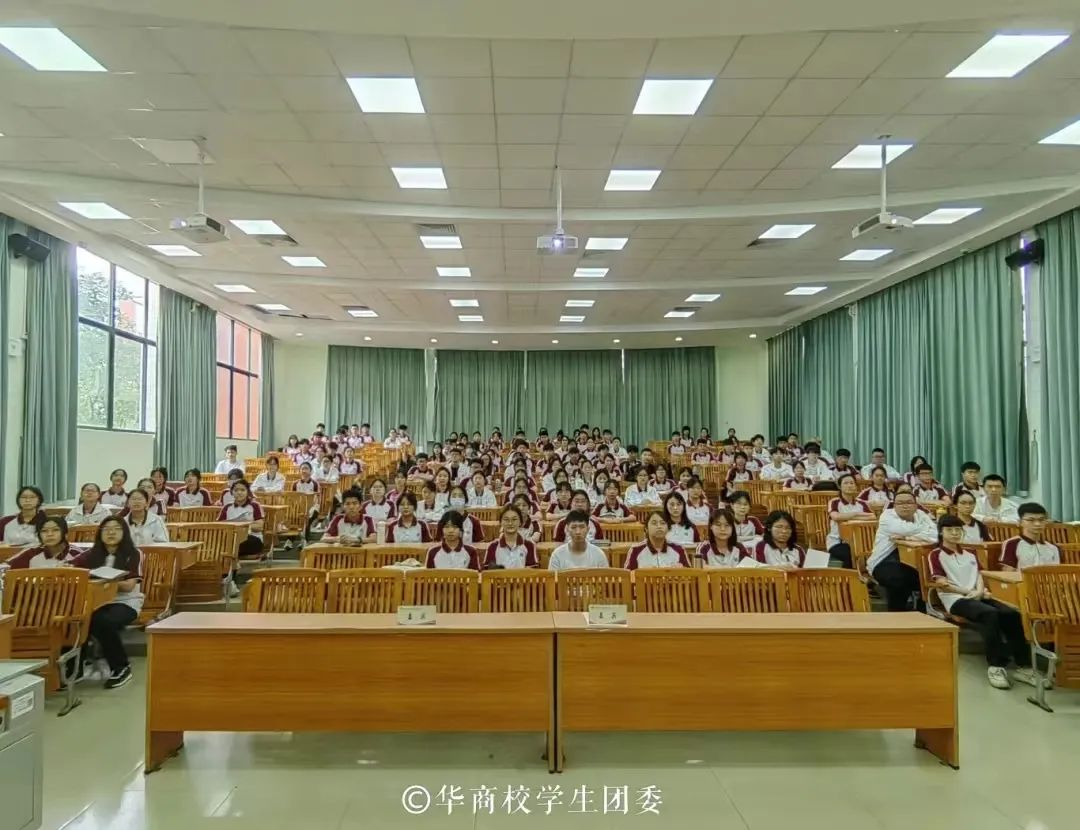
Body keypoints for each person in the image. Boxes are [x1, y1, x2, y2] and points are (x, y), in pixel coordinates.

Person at [930, 516, 1033, 688]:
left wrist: (978, 591)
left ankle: (1024, 666)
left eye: (958, 530)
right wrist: (968, 592)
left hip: (979, 595)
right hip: (955, 599)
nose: (954, 533)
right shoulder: (936, 554)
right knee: (989, 614)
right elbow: (942, 584)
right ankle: (995, 666)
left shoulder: (970, 553)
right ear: (941, 532)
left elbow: (979, 574)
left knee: (1011, 614)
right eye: (949, 530)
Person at [69, 517, 143, 689]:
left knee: (101, 620)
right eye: (106, 529)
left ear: (124, 532)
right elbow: (71, 567)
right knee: (77, 618)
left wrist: (107, 581)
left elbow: (129, 586)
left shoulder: (133, 554)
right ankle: (74, 669)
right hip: (95, 602)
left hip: (125, 602)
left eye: (116, 528)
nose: (111, 532)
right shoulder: (90, 554)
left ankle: (121, 667)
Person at [870, 492, 937, 611]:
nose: (905, 506)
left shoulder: (921, 515)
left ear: (916, 505)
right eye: (900, 503)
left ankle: (923, 611)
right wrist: (923, 531)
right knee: (899, 579)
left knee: (928, 578)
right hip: (884, 561)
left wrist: (907, 537)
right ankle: (897, 614)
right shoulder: (887, 516)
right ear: (894, 506)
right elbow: (903, 529)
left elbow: (935, 534)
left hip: (914, 562)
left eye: (909, 502)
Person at [826, 473, 872, 568]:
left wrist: (847, 517)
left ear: (855, 486)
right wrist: (856, 514)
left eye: (852, 483)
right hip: (837, 542)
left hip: (861, 541)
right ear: (840, 486)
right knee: (850, 555)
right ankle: (851, 576)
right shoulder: (835, 502)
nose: (849, 485)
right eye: (846, 483)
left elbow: (872, 517)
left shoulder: (862, 503)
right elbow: (836, 517)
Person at [1000, 502, 1060, 570]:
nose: (1037, 524)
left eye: (1041, 520)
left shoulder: (1053, 547)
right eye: (1031, 520)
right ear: (1020, 522)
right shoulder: (1012, 544)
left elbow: (1058, 571)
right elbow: (1008, 572)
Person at [625, 512, 690, 569]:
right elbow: (627, 576)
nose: (659, 526)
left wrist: (682, 569)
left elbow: (691, 574)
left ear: (668, 528)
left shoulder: (679, 549)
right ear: (646, 529)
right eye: (654, 523)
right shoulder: (636, 550)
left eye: (663, 523)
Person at [217, 479, 264, 559]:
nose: (239, 493)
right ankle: (238, 558)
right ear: (232, 492)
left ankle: (233, 556)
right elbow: (219, 525)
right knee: (223, 540)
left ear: (247, 492)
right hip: (231, 537)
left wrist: (242, 526)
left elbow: (260, 527)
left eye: (242, 490)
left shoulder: (255, 505)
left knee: (239, 542)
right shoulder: (227, 507)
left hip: (251, 537)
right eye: (236, 490)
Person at [5, 516, 77, 568]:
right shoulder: (31, 553)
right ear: (39, 536)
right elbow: (5, 567)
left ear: (65, 534)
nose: (49, 534)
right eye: (44, 531)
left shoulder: (76, 554)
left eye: (55, 530)